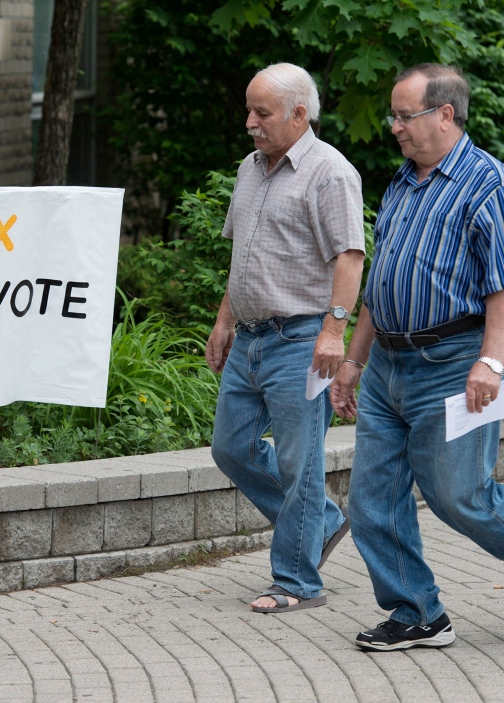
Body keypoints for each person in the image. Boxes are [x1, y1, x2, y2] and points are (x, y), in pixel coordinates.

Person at [332, 63, 504, 652]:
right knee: (372, 498)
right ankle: (417, 612)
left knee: (459, 495)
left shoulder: (488, 182)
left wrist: (491, 363)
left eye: (405, 115)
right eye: (393, 115)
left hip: (453, 363)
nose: (394, 126)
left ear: (444, 115)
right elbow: (382, 281)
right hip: (388, 368)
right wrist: (353, 360)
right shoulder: (401, 182)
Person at [206, 62, 366, 613]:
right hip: (249, 340)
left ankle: (297, 581)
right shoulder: (251, 169)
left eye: (262, 112)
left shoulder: (331, 173)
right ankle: (319, 521)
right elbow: (241, 257)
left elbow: (350, 257)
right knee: (230, 448)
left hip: (302, 340)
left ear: (300, 114)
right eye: (248, 110)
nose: (249, 121)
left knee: (301, 464)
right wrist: (224, 321)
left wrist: (333, 331)